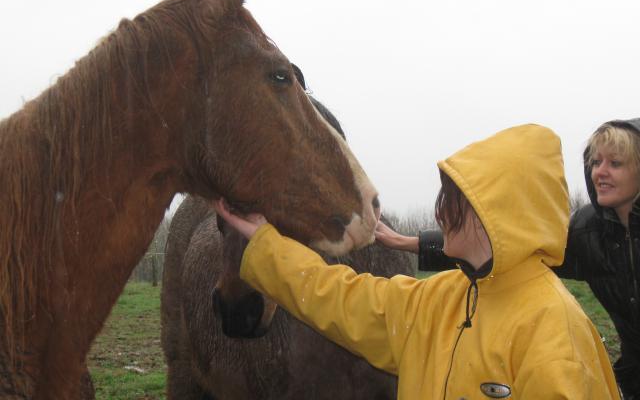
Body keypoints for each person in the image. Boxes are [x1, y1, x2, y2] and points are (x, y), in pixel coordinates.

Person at [213, 124, 620, 399]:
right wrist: (264, 240)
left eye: (451, 201)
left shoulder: (554, 332)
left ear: (493, 212)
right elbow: (335, 296)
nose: (440, 214)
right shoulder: (439, 300)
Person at [378, 118, 640, 399]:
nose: (600, 172)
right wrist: (409, 243)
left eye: (615, 164)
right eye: (595, 162)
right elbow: (501, 243)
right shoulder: (588, 230)